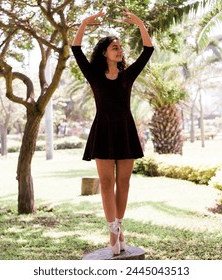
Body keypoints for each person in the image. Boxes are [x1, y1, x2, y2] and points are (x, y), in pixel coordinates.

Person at [71, 7, 153, 255]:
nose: (120, 50)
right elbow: (76, 49)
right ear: (105, 53)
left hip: (126, 131)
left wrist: (139, 23)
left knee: (124, 183)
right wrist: (86, 22)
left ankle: (119, 227)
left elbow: (148, 50)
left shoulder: (128, 75)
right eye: (115, 47)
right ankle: (113, 232)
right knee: (106, 183)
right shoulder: (94, 75)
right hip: (103, 131)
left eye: (120, 47)